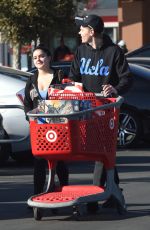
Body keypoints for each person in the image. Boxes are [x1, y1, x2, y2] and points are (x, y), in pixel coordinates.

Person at [69, 14, 132, 212]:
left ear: (92, 31)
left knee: (100, 151)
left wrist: (115, 88)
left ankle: (93, 198)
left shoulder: (114, 52)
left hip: (106, 110)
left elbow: (127, 78)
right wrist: (74, 85)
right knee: (104, 152)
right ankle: (114, 191)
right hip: (86, 108)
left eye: (82, 28)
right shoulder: (80, 50)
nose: (79, 32)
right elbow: (73, 77)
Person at [24, 44, 69, 196]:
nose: (38, 59)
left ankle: (65, 192)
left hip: (58, 126)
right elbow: (27, 104)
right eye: (35, 57)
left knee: (59, 161)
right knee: (39, 163)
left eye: (42, 56)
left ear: (49, 58)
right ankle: (37, 195)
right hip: (39, 128)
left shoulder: (60, 76)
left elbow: (66, 101)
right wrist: (31, 117)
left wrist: (42, 109)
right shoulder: (31, 80)